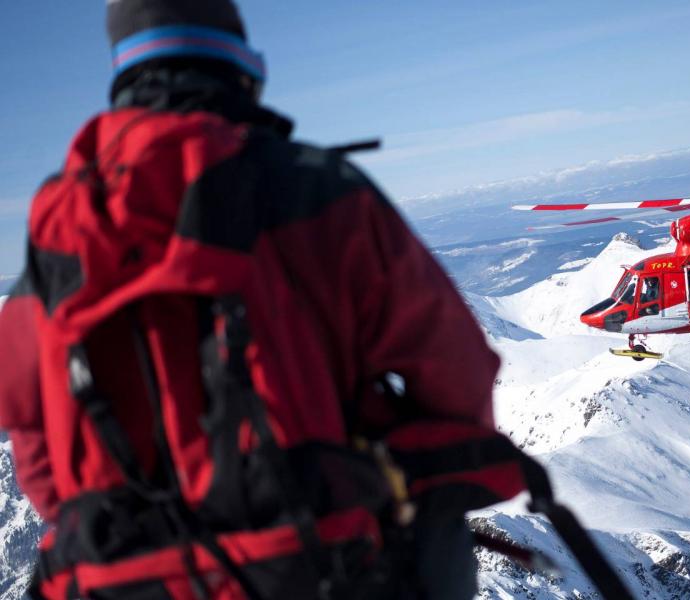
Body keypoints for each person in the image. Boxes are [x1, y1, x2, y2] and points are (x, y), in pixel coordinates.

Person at [0, 1, 504, 598]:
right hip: (324, 563)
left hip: (120, 580)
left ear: (123, 74)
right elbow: (457, 377)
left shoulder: (58, 236)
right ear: (242, 65)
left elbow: (31, 437)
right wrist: (378, 466)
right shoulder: (320, 190)